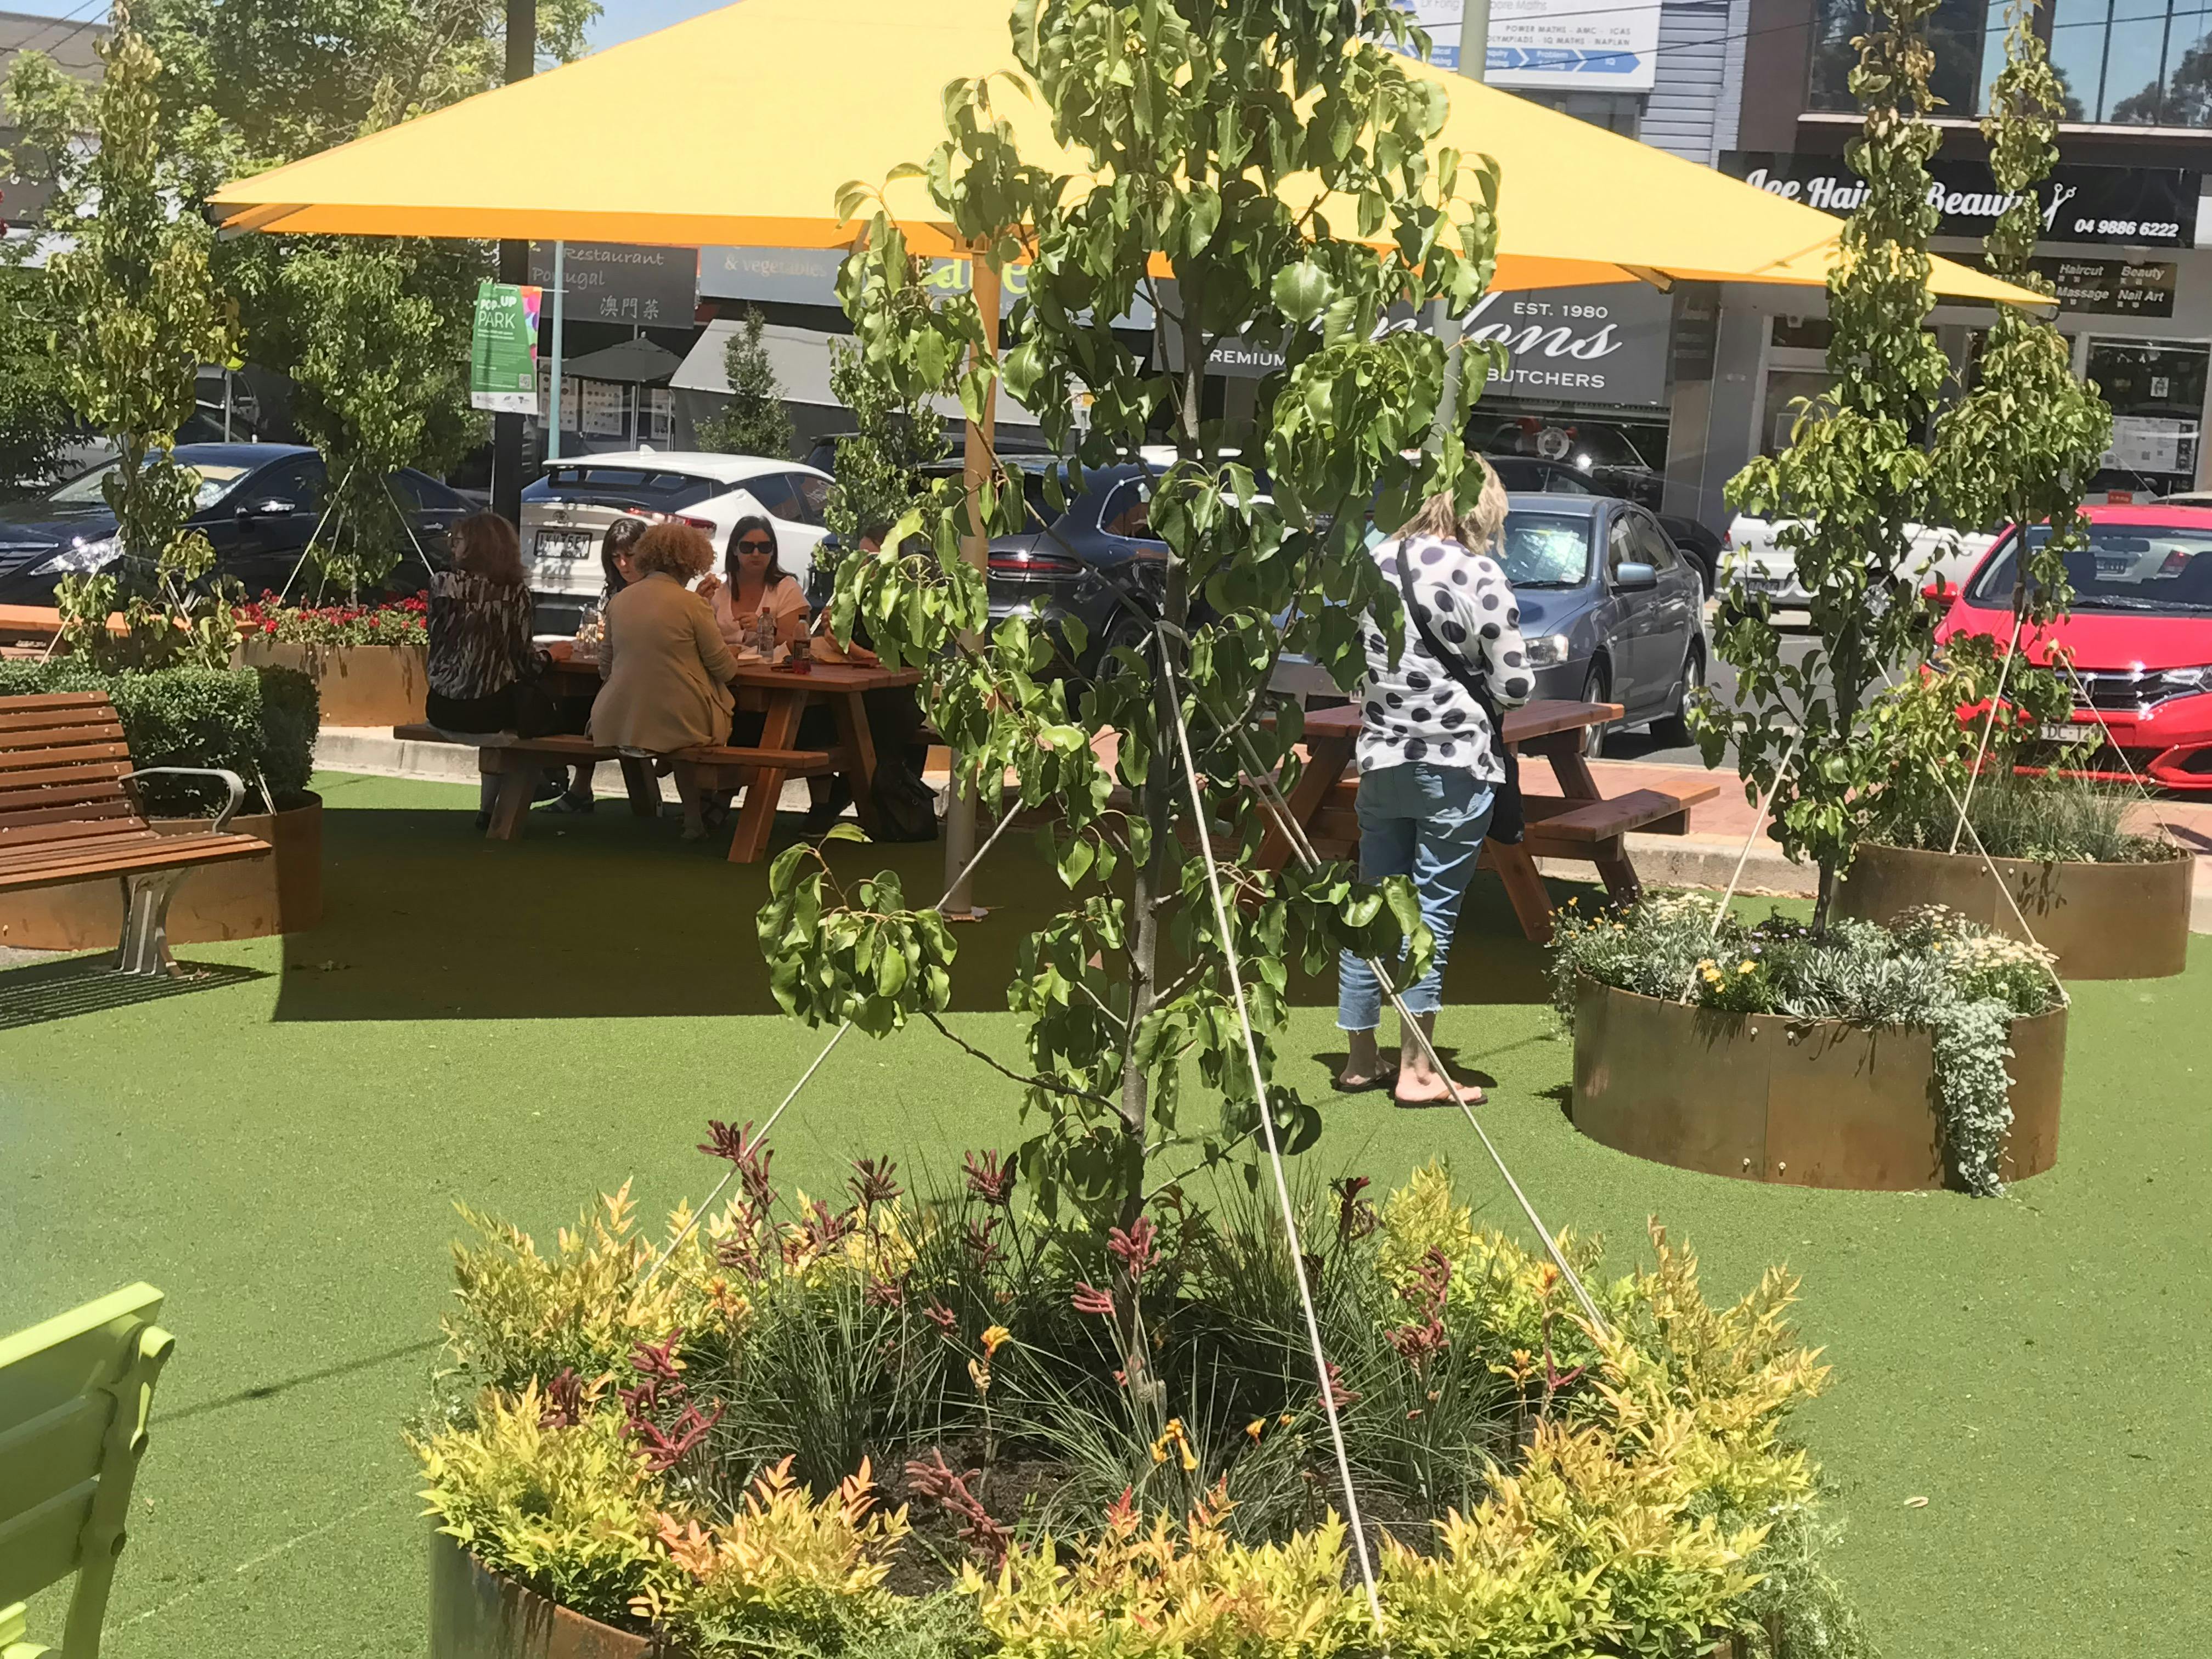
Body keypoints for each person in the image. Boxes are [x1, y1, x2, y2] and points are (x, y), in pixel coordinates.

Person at [1337, 463, 1535, 1105]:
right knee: (1432, 914)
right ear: (1480, 510)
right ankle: (1419, 1072)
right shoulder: (1479, 573)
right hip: (1455, 763)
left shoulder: (1373, 563)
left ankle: (1360, 1060)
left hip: (1381, 758)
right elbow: (1514, 685)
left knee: (1372, 905)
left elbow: (1349, 677)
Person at [588, 522, 740, 839]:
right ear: (691, 562)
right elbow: (725, 671)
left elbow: (605, 669)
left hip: (618, 720)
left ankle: (687, 810)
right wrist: (733, 652)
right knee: (687, 713)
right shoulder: (693, 605)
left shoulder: (619, 602)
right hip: (682, 720)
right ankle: (695, 818)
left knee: (671, 713)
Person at [425, 512, 549, 831]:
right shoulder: (515, 593)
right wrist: (550, 657)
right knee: (541, 713)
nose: (452, 546)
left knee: (504, 706)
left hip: (441, 708)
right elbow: (525, 662)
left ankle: (486, 810)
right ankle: (550, 781)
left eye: (459, 540)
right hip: (488, 712)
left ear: (477, 546)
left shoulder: (441, 584)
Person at [543, 517, 649, 815]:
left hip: (642, 687)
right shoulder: (613, 590)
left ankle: (571, 784)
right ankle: (569, 781)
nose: (624, 564)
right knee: (570, 700)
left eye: (630, 555)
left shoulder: (660, 591)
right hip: (613, 677)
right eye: (616, 557)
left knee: (586, 705)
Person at [704, 515, 810, 654]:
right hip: (723, 672)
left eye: (764, 547)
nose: (756, 554)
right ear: (735, 550)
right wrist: (697, 602)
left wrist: (767, 630)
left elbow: (801, 649)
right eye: (747, 547)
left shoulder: (787, 589)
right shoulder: (717, 589)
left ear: (773, 551)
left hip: (771, 672)